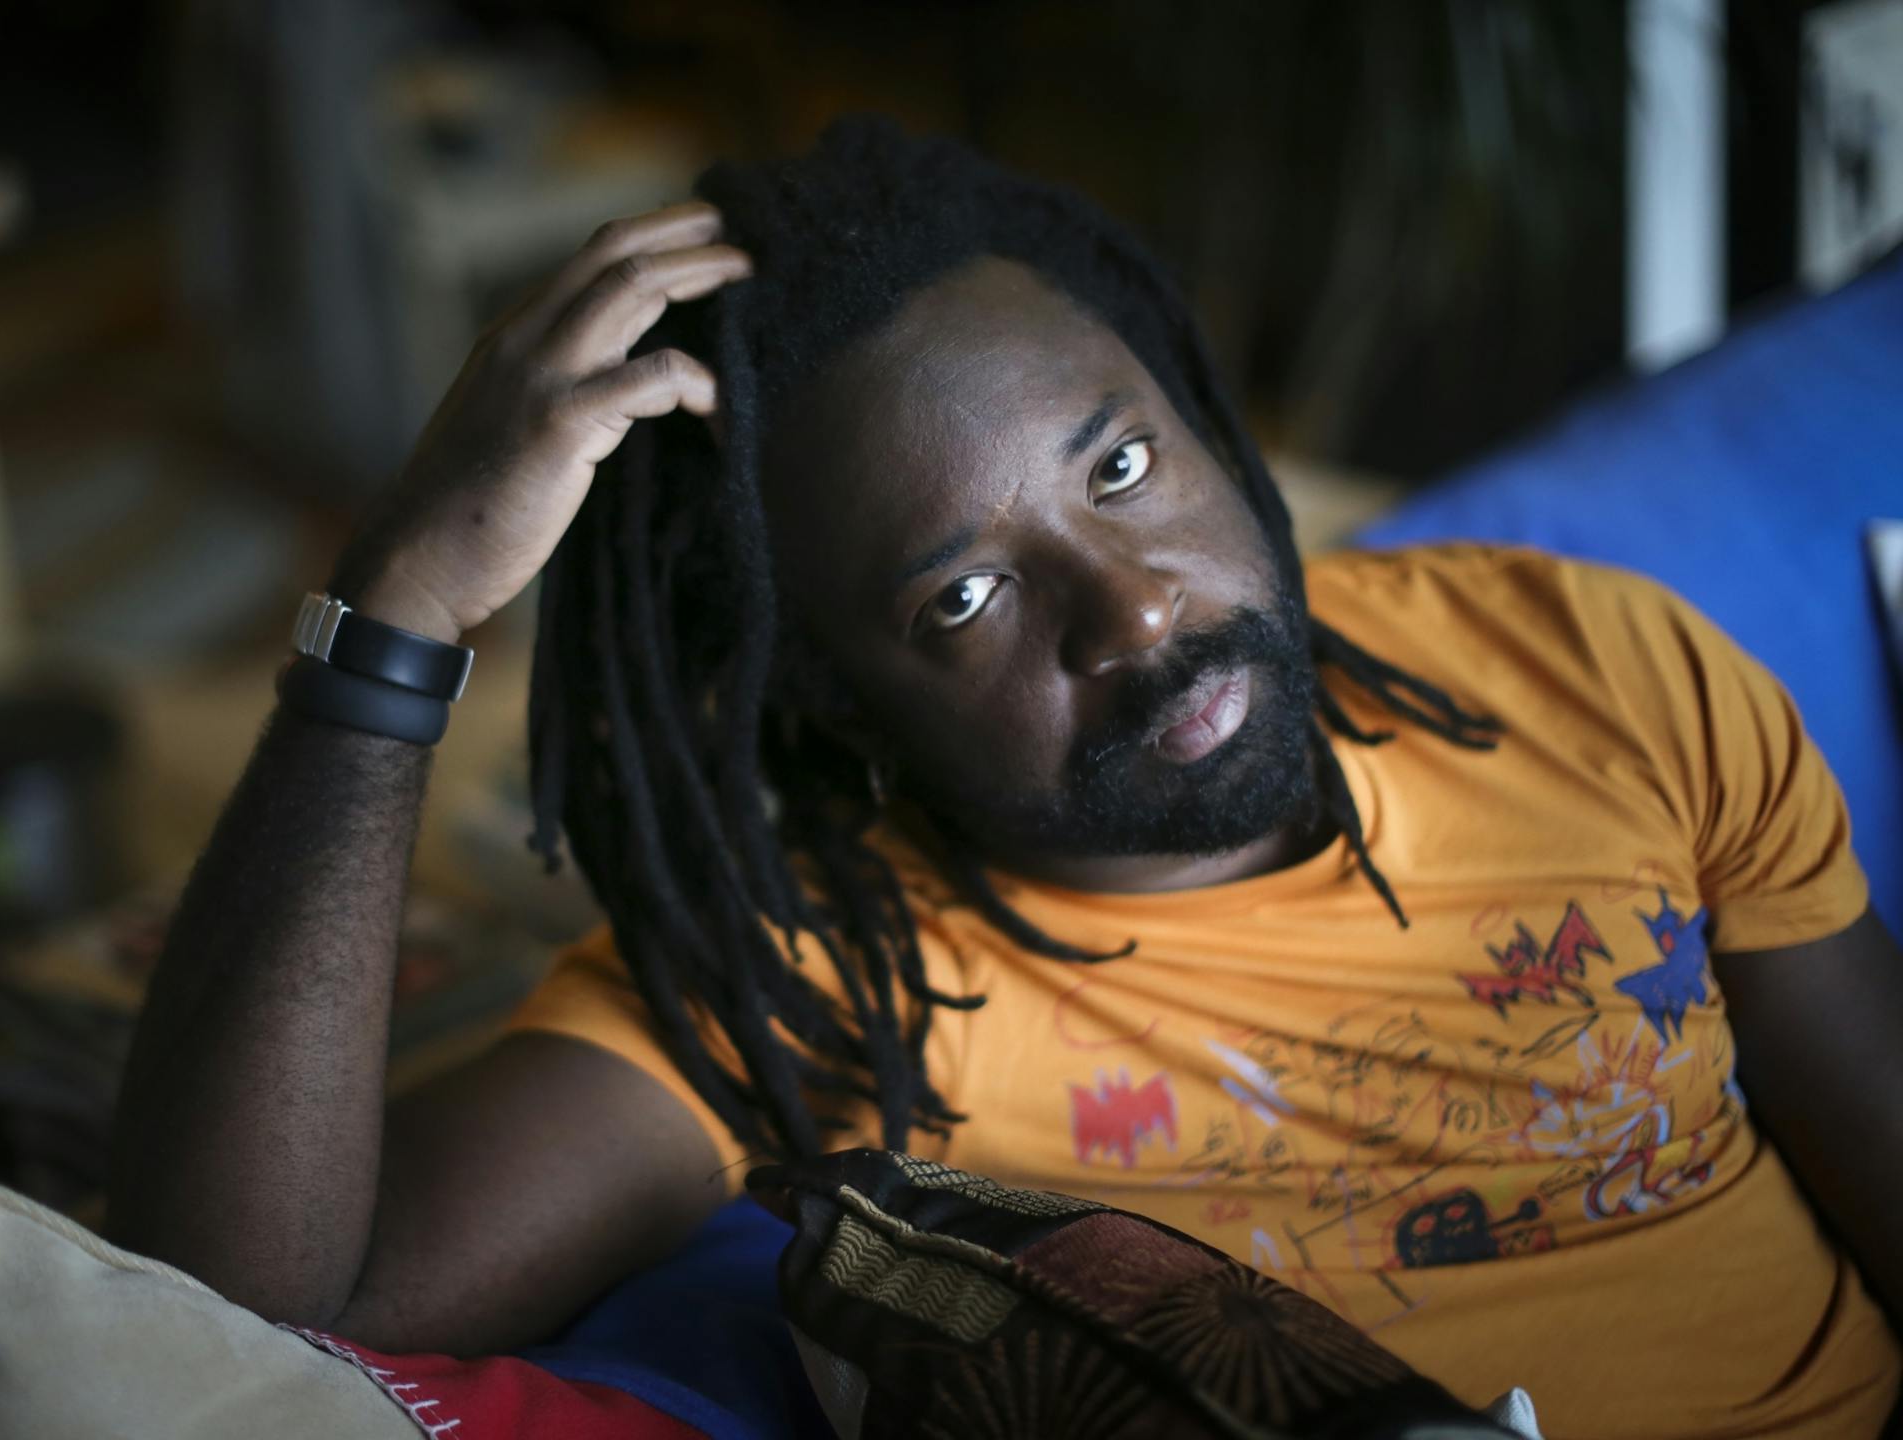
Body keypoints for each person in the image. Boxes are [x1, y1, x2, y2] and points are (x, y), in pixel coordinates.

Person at [107, 119, 1903, 1436]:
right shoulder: (816, 981)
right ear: (834, 700)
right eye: (961, 595)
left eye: (1121, 466)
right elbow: (258, 1302)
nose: (1130, 610)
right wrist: (400, 609)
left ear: (1200, 407)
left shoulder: (1593, 663)